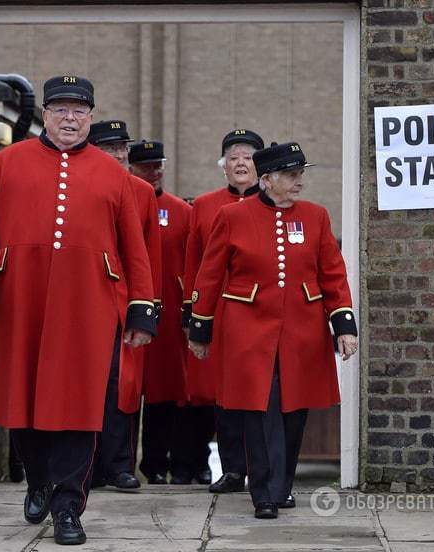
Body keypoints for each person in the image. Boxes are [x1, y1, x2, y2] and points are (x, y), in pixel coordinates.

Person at [0, 75, 156, 545]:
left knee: (80, 408)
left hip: (91, 305)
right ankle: (38, 480)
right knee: (24, 402)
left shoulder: (115, 177)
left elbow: (135, 250)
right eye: (61, 109)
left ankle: (68, 506)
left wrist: (142, 311)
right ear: (45, 114)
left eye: (79, 110)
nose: (70, 118)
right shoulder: (6, 162)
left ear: (90, 116)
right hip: (24, 299)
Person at [187, 141, 358, 519]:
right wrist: (200, 327)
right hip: (248, 330)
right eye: (292, 175)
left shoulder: (315, 216)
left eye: (301, 174)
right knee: (258, 410)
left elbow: (332, 273)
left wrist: (343, 324)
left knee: (294, 411)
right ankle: (263, 493)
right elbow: (210, 273)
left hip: (303, 331)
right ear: (267, 180)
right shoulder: (233, 216)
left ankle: (281, 487)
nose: (300, 182)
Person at [182, 129, 265, 494]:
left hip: (263, 315)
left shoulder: (275, 205)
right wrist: (193, 314)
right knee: (226, 396)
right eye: (233, 158)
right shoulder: (203, 205)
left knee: (265, 396)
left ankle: (267, 471)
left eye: (248, 157)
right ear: (224, 167)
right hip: (220, 315)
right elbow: (194, 263)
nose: (241, 163)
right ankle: (233, 470)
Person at [87, 120, 162, 490]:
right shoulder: (81, 184)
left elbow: (149, 255)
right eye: (109, 148)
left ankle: (119, 465)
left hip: (125, 301)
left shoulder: (142, 192)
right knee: (86, 383)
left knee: (122, 387)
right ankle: (87, 465)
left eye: (122, 148)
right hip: (86, 300)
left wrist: (148, 306)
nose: (118, 155)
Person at [129, 141, 201, 485]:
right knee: (125, 392)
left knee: (165, 393)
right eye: (146, 166)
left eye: (158, 165)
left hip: (169, 316)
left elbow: (193, 262)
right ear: (132, 169)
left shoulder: (181, 211)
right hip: (129, 310)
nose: (154, 171)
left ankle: (157, 463)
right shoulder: (122, 202)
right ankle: (118, 462)